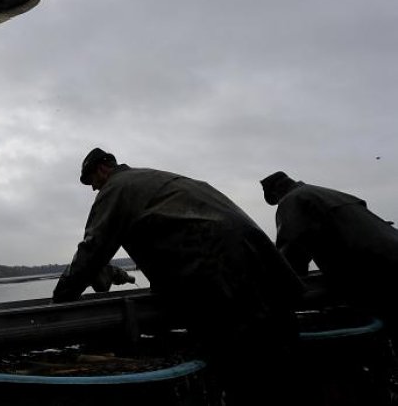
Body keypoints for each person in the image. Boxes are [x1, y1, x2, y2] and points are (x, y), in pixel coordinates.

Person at [53, 147, 305, 406]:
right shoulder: (156, 179)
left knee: (241, 364)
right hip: (255, 257)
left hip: (216, 269)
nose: (94, 189)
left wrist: (59, 303)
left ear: (102, 169)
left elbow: (91, 251)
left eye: (92, 181)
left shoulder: (115, 189)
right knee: (278, 351)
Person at [260, 171, 398, 333]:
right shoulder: (331, 194)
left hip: (376, 275)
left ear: (276, 193)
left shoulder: (292, 201)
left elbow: (292, 251)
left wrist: (281, 285)